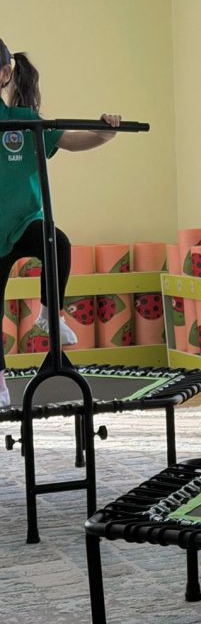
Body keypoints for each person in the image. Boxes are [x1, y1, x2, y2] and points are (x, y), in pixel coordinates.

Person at [0, 40, 121, 407]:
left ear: (4, 75)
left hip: (25, 222)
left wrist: (105, 132)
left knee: (58, 243)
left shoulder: (24, 122)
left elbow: (72, 139)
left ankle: (48, 314)